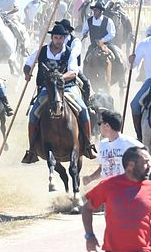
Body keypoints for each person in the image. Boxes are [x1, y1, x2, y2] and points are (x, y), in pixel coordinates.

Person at [22, 24, 96, 163]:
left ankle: (88, 145)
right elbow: (28, 63)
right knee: (33, 114)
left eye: (61, 38)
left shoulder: (69, 53)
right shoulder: (42, 51)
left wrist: (60, 78)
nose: (58, 40)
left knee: (84, 110)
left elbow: (73, 72)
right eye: (56, 37)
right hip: (47, 89)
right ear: (52, 38)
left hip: (67, 88)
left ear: (64, 38)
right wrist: (27, 73)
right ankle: (32, 149)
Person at [83, 109, 143, 183]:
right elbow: (102, 168)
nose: (99, 127)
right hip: (108, 189)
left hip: (125, 189)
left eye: (99, 123)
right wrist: (90, 178)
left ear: (107, 126)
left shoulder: (130, 143)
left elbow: (146, 160)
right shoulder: (102, 144)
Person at [81, 2, 123, 67]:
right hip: (94, 44)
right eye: (94, 10)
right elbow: (84, 29)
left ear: (101, 11)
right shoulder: (89, 21)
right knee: (85, 61)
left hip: (107, 44)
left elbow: (112, 33)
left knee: (117, 58)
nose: (94, 12)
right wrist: (84, 33)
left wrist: (102, 40)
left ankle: (120, 71)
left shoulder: (108, 20)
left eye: (96, 10)